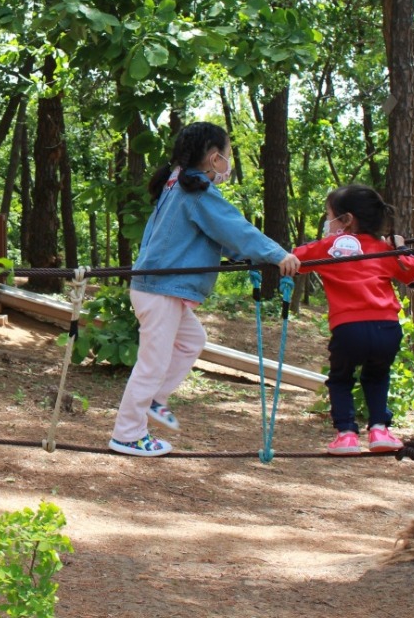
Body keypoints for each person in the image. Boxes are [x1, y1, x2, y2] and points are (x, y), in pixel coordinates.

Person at [109, 121, 300, 457]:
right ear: (214, 158)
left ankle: (155, 399)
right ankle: (127, 434)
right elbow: (234, 229)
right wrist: (276, 254)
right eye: (227, 155)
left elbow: (216, 236)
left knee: (192, 341)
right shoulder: (195, 190)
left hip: (158, 287)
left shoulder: (176, 184)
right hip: (161, 290)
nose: (228, 163)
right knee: (151, 364)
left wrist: (252, 257)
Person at [292, 185, 414, 455]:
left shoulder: (328, 247)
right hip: (386, 329)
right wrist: (399, 247)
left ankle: (346, 434)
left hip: (349, 329)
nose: (327, 224)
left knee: (341, 378)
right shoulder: (383, 249)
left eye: (329, 216)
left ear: (346, 220)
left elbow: (292, 259)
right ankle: (379, 430)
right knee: (377, 376)